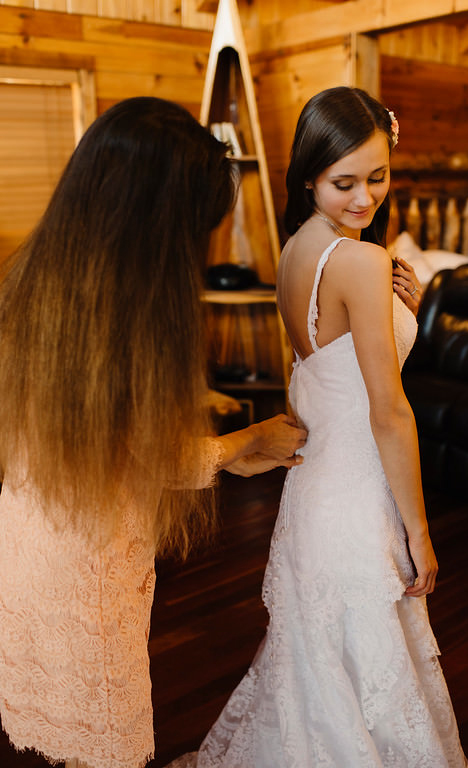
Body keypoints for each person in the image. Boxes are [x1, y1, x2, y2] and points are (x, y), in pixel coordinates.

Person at [0, 97, 308, 768]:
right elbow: (151, 452)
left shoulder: (35, 274)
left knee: (58, 716)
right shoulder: (130, 311)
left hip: (26, 533)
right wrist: (243, 444)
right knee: (101, 723)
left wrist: (232, 453)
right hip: (89, 556)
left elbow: (104, 437)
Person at [189, 87, 468, 767]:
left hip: (315, 491)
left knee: (321, 668)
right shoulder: (361, 261)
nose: (365, 198)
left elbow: (327, 373)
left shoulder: (296, 251)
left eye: (378, 177)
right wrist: (419, 531)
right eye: (344, 182)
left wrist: (415, 310)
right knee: (366, 671)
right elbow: (387, 409)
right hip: (360, 492)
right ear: (308, 175)